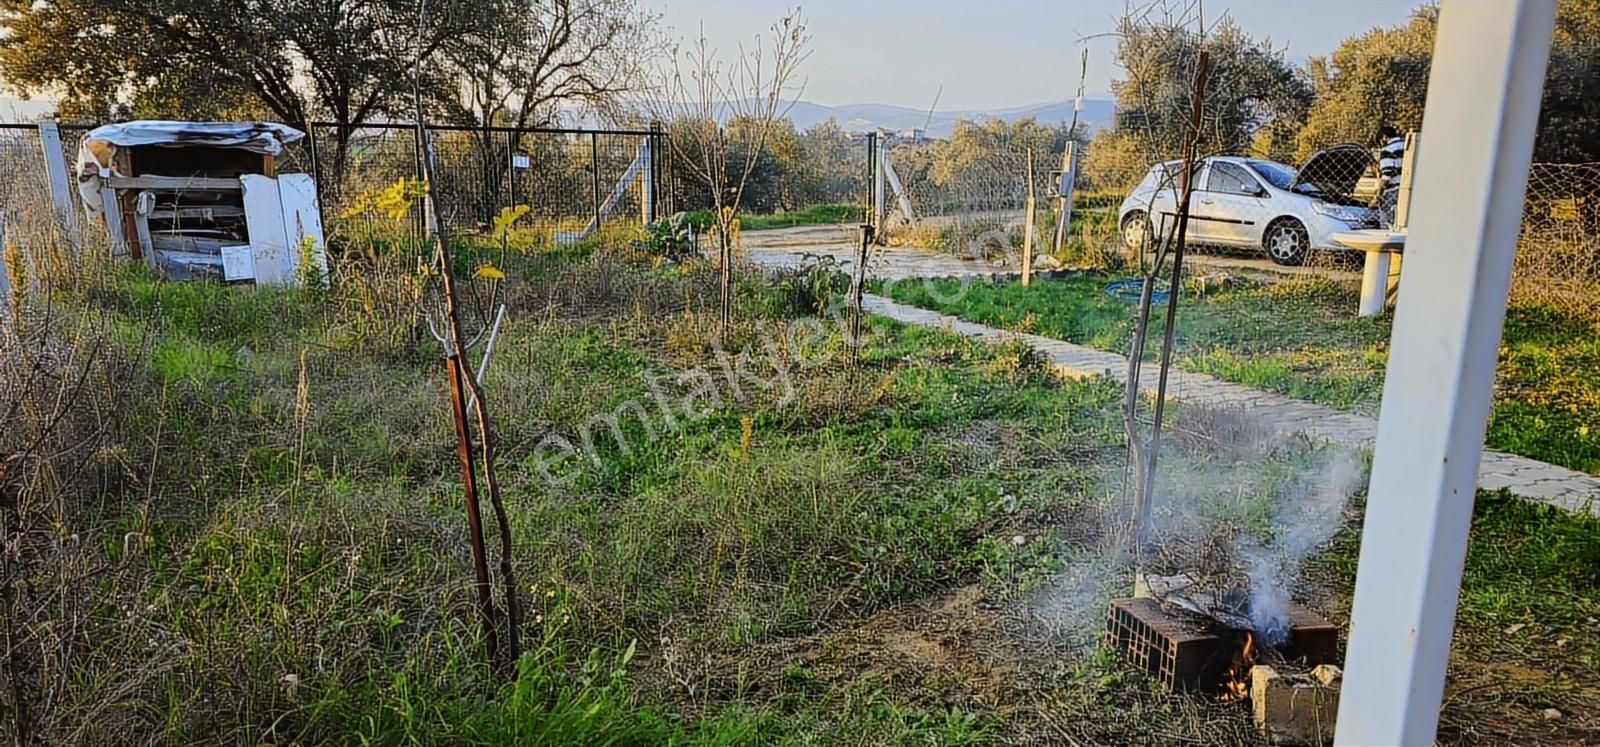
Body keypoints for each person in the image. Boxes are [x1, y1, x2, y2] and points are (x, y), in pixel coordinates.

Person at [1372, 125, 1406, 225]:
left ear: (1384, 137)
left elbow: (1387, 175)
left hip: (1393, 189)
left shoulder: (1387, 150)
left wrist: (1377, 196)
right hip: (1408, 188)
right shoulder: (1407, 146)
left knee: (1387, 223)